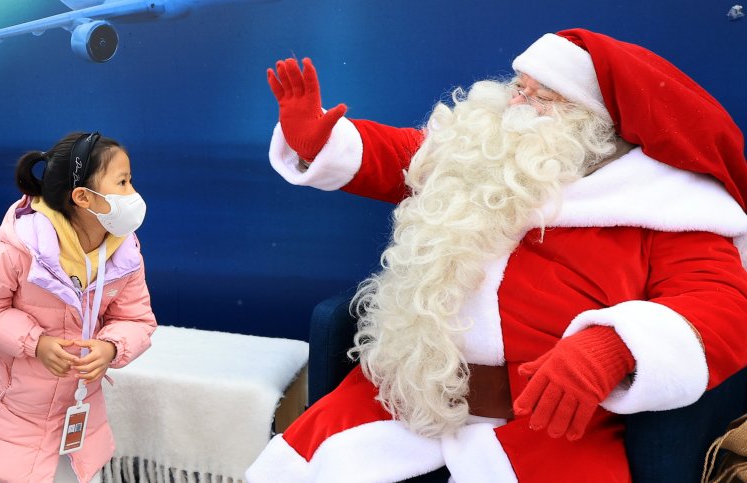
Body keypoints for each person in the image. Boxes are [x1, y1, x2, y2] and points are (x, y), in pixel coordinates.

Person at [246, 28, 747, 482]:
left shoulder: (664, 209)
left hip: (546, 427)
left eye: (541, 97)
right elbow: (404, 156)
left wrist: (612, 348)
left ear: (594, 125)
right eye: (519, 87)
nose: (517, 104)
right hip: (405, 397)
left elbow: (723, 306)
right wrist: (321, 142)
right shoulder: (485, 155)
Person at [0, 132, 157, 483]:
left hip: (81, 418)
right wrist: (36, 343)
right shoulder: (19, 249)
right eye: (123, 182)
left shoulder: (124, 254)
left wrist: (111, 346)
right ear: (82, 196)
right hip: (18, 422)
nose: (133, 193)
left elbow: (136, 319)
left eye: (131, 180)